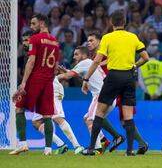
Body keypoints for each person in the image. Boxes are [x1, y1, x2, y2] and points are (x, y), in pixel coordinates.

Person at [81, 10, 149, 156]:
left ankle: (92, 148)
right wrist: (135, 66)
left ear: (112, 23)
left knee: (99, 112)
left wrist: (86, 79)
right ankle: (130, 151)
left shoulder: (107, 38)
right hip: (129, 78)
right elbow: (146, 57)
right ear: (124, 22)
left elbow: (97, 60)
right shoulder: (133, 37)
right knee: (128, 116)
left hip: (113, 77)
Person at [19, 31, 84, 155]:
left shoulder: (38, 51)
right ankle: (61, 144)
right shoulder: (32, 54)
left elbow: (51, 68)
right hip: (42, 89)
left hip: (51, 87)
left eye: (27, 40)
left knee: (57, 118)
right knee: (36, 122)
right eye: (23, 40)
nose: (25, 43)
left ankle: (77, 146)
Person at [57, 46, 125, 154]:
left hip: (100, 96)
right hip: (109, 96)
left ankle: (96, 148)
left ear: (83, 55)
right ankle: (102, 140)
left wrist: (53, 79)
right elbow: (81, 74)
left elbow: (67, 77)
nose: (74, 57)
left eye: (76, 54)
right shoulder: (89, 63)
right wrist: (68, 71)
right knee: (87, 118)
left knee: (90, 120)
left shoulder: (85, 63)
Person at [10, 14, 60, 155]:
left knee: (19, 108)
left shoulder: (35, 39)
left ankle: (23, 144)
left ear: (42, 23)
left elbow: (31, 61)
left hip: (34, 79)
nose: (31, 27)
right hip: (48, 81)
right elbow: (55, 66)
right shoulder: (55, 42)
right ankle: (48, 149)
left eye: (33, 24)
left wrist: (23, 82)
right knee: (47, 115)